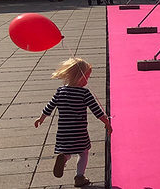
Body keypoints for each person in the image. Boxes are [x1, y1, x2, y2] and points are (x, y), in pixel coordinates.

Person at [34, 57, 112, 187]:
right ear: (80, 77)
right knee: (83, 152)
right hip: (79, 131)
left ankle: (63, 158)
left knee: (67, 150)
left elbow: (50, 106)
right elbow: (96, 110)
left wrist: (41, 118)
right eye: (87, 77)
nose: (88, 80)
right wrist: (106, 122)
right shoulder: (84, 93)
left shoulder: (60, 91)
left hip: (64, 131)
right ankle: (79, 177)